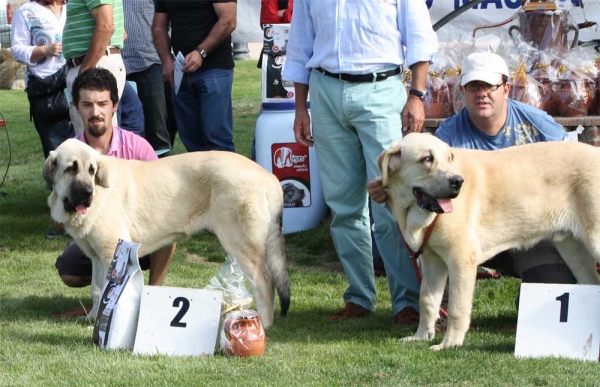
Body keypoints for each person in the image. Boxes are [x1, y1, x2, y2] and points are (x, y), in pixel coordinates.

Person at [368, 52, 576, 306]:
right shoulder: (447, 137)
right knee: (437, 256)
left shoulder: (539, 125)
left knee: (549, 288)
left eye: (489, 86)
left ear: (506, 89)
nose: (481, 93)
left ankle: (537, 308)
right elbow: (426, 192)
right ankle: (435, 313)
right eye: (473, 86)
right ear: (462, 92)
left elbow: (571, 167)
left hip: (532, 232)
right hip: (472, 231)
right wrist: (389, 193)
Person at [282, 2, 437, 324]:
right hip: (325, 91)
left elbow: (420, 37)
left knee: (392, 201)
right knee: (343, 204)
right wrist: (300, 107)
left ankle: (407, 300)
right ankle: (359, 296)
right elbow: (299, 45)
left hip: (380, 88)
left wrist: (416, 95)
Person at [54, 68, 176, 293]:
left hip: (141, 234)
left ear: (114, 106)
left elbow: (162, 195)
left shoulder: (138, 147)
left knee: (169, 226)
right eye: (87, 104)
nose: (95, 112)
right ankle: (104, 301)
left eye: (102, 103)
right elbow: (57, 219)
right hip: (94, 235)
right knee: (69, 270)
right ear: (76, 108)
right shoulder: (68, 153)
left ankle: (153, 293)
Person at [152, 0, 237, 152]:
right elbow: (159, 27)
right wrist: (166, 60)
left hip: (214, 69)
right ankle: (201, 176)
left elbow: (228, 21)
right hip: (181, 72)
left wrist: (201, 52)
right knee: (192, 142)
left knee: (217, 140)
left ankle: (223, 176)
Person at [10, 0, 71, 159]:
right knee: (57, 154)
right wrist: (45, 50)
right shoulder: (26, 12)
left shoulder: (73, 6)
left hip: (75, 83)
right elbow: (17, 51)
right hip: (46, 91)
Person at [62, 0, 126, 135]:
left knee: (95, 137)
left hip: (94, 64)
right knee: (93, 135)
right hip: (95, 62)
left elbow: (106, 26)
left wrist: (85, 70)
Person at [122, 0, 172, 156]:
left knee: (156, 130)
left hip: (149, 64)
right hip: (117, 68)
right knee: (123, 131)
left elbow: (166, 22)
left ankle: (162, 173)